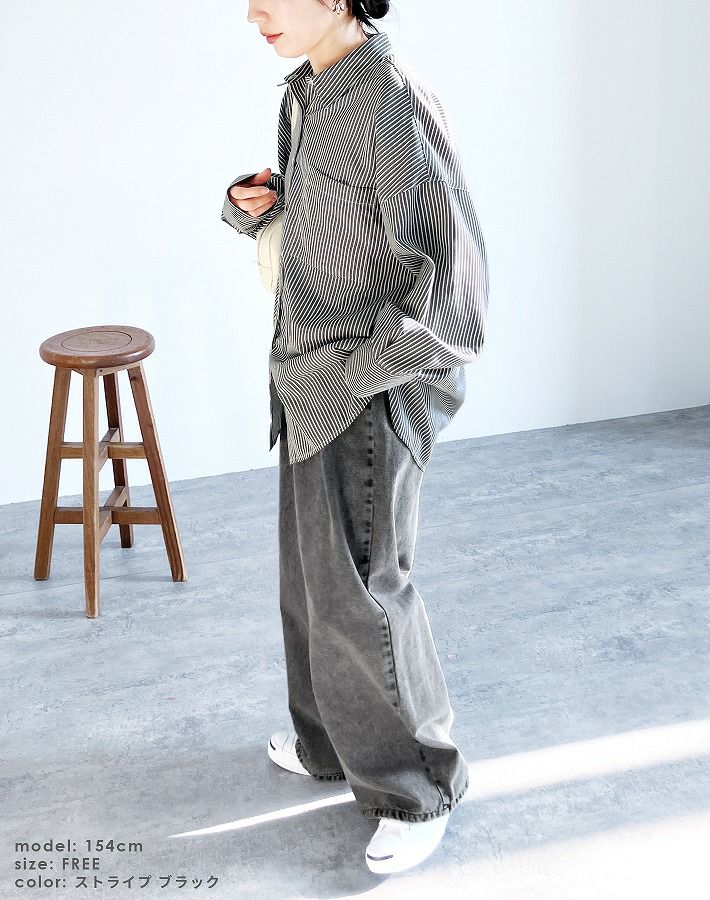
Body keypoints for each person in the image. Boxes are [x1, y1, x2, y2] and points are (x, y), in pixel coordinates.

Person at [221, 0, 489, 876]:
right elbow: (332, 233)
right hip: (306, 375)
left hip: (365, 389)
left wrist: (349, 375)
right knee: (311, 585)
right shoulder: (306, 91)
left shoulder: (393, 102)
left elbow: (456, 294)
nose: (254, 12)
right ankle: (331, 745)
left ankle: (417, 788)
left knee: (364, 594)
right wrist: (257, 210)